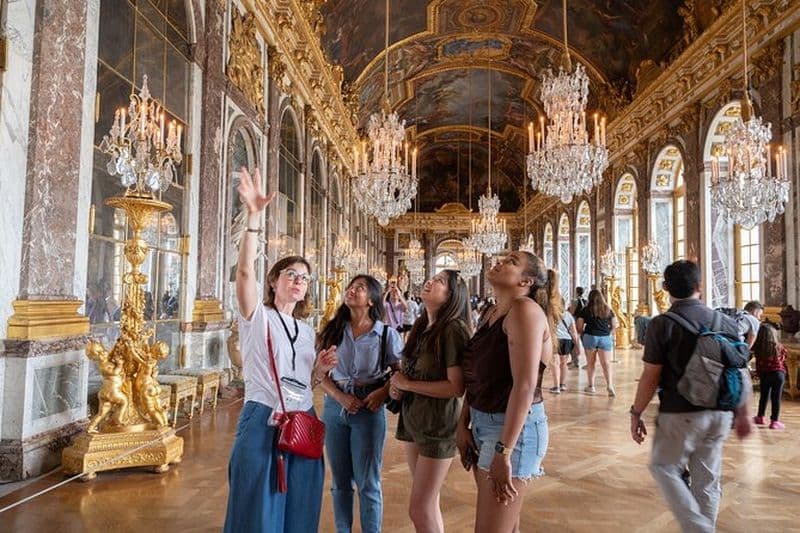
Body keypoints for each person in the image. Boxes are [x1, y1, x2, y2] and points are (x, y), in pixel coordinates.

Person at [224, 167, 337, 533]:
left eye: (304, 278)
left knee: (300, 513)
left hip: (303, 420)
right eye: (291, 274)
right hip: (263, 419)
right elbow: (243, 274)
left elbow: (306, 383)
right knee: (257, 512)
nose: (299, 281)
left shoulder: (306, 331)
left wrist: (319, 370)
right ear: (274, 281)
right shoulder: (258, 317)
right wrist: (254, 217)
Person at [630, 260, 752, 533]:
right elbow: (740, 370)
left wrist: (636, 412)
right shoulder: (725, 321)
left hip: (680, 412)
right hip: (721, 411)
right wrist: (744, 413)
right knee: (706, 480)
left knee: (663, 467)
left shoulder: (662, 324)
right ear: (700, 286)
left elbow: (651, 376)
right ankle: (704, 527)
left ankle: (700, 529)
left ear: (665, 288)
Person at [457, 252, 560, 533]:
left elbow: (524, 385)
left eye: (511, 261)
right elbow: (478, 375)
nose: (499, 261)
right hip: (483, 423)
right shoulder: (492, 312)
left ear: (526, 280)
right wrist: (463, 422)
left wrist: (504, 451)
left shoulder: (525, 310)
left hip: (514, 432)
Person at [316, 275, 404, 533]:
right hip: (335, 408)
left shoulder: (385, 334)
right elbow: (318, 374)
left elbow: (399, 373)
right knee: (340, 482)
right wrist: (340, 397)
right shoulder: (332, 330)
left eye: (360, 288)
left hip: (369, 408)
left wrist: (382, 392)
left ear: (371, 300)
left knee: (368, 482)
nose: (352, 291)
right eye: (351, 287)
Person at [388, 270, 471, 533]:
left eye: (440, 281)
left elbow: (456, 387)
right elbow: (410, 374)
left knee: (419, 508)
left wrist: (409, 384)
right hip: (415, 420)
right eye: (433, 277)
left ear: (451, 296)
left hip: (438, 425)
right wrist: (397, 387)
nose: (430, 281)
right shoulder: (424, 326)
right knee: (428, 503)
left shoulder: (453, 330)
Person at [576, 289, 617, 397]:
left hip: (590, 336)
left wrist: (583, 334)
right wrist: (608, 333)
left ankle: (591, 386)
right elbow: (614, 324)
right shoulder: (607, 309)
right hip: (605, 337)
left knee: (591, 363)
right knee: (606, 363)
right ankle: (610, 385)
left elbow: (579, 326)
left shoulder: (585, 310)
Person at [752, 322, 787, 430]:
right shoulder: (779, 346)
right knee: (776, 398)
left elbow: (758, 364)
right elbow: (784, 357)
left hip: (765, 374)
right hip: (778, 374)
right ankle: (774, 421)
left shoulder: (758, 349)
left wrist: (758, 374)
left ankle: (760, 416)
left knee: (764, 395)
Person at [551, 300, 583, 393]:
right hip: (566, 340)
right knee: (563, 364)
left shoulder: (551, 315)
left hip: (555, 340)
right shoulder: (568, 315)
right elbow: (573, 331)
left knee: (555, 363)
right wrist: (577, 345)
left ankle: (556, 387)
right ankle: (562, 384)